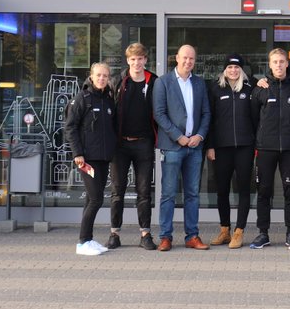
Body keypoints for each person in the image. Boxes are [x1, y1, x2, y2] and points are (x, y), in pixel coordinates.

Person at [152, 44, 211, 252]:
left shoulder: (200, 83)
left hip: (195, 147)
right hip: (172, 147)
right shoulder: (163, 82)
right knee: (168, 193)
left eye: (192, 59)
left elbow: (206, 114)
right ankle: (165, 237)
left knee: (193, 194)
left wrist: (200, 135)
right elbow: (159, 114)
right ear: (176, 58)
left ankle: (192, 236)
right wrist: (178, 137)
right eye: (185, 58)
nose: (188, 62)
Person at [249, 47, 290, 250]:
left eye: (282, 61)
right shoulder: (261, 89)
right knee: (264, 191)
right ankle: (263, 233)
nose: (279, 65)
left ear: (287, 63)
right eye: (275, 62)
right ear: (270, 64)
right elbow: (255, 118)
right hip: (265, 148)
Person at [64, 62, 117, 256]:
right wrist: (77, 153)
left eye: (105, 75)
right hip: (87, 159)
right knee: (96, 198)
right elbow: (70, 127)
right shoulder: (82, 99)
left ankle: (88, 239)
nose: (102, 78)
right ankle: (82, 242)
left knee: (90, 199)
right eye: (99, 75)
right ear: (91, 76)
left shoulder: (108, 99)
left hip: (103, 158)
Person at [109, 42, 158, 250]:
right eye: (133, 59)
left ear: (145, 60)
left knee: (144, 191)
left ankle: (145, 234)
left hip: (144, 143)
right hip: (120, 145)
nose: (137, 63)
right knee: (117, 191)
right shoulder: (118, 81)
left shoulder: (153, 81)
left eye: (140, 59)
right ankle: (114, 233)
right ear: (128, 61)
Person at [206, 54, 256, 249]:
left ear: (241, 70)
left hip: (245, 146)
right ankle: (225, 230)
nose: (233, 71)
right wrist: (210, 145)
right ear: (224, 70)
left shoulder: (251, 88)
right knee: (222, 191)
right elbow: (209, 119)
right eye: (229, 67)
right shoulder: (215, 89)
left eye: (236, 68)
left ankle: (239, 232)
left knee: (243, 189)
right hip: (221, 148)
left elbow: (256, 118)